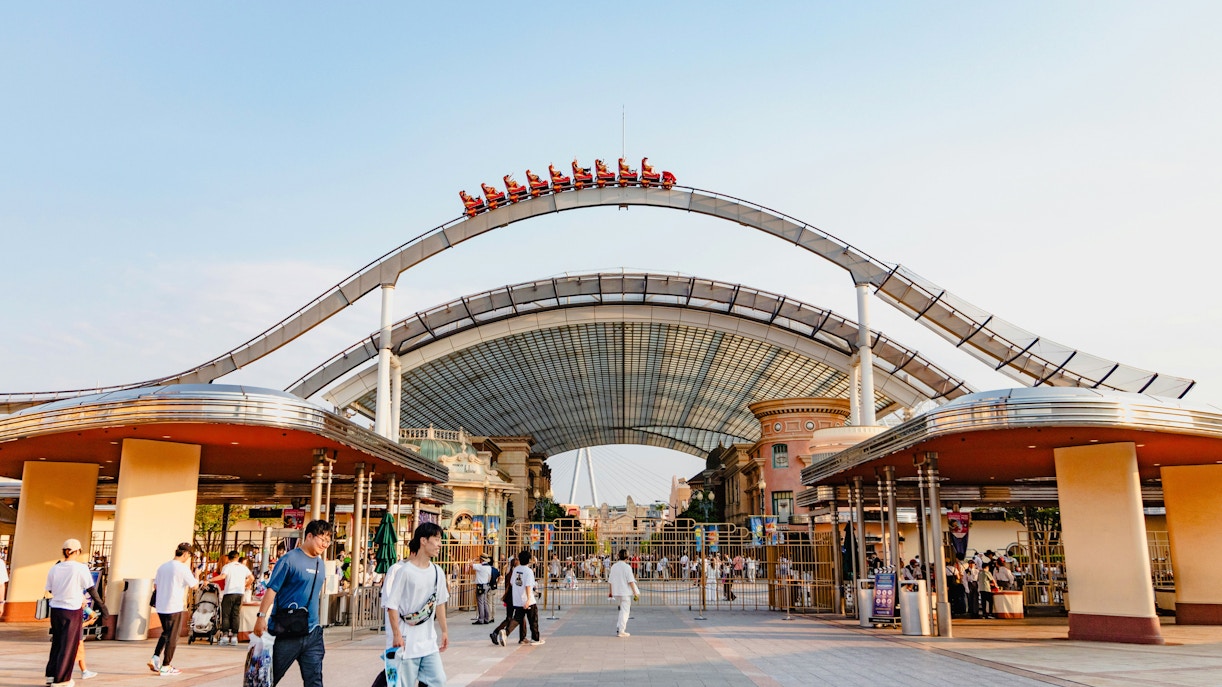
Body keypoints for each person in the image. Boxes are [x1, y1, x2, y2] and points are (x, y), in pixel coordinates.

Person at [253, 519, 332, 687]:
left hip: (312, 632)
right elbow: (272, 589)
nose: (325, 544)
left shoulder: (321, 564)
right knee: (268, 679)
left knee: (315, 681)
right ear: (309, 536)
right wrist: (261, 617)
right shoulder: (289, 560)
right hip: (286, 631)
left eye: (328, 541)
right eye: (322, 539)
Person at [383, 523, 450, 687]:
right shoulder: (405, 571)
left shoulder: (437, 572)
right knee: (403, 684)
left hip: (428, 641)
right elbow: (392, 605)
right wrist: (397, 634)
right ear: (423, 541)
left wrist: (444, 631)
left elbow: (440, 603)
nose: (439, 544)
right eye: (436, 539)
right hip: (407, 641)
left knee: (438, 680)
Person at [45, 538, 107, 687]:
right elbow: (91, 589)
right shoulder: (80, 568)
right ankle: (62, 679)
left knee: (58, 643)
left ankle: (52, 675)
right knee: (69, 645)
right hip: (71, 610)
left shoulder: (55, 568)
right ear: (78, 551)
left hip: (56, 610)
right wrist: (102, 607)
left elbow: (51, 589)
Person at [149, 542, 199, 677]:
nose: (189, 557)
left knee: (166, 632)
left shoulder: (162, 567)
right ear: (185, 554)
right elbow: (194, 586)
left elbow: (156, 586)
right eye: (189, 555)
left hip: (160, 606)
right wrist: (198, 574)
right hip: (174, 606)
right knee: (173, 636)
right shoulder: (182, 568)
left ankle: (155, 658)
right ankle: (166, 666)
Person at [496, 550, 543, 646]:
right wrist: (529, 599)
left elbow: (513, 583)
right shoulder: (529, 571)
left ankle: (506, 632)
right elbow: (528, 586)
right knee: (533, 619)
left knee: (517, 618)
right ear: (529, 560)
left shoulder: (516, 570)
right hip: (527, 600)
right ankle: (535, 638)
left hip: (517, 600)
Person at [211, 550, 253, 646]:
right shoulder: (243, 567)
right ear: (237, 558)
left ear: (229, 558)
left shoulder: (227, 566)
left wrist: (210, 580)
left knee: (226, 614)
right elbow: (252, 578)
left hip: (229, 592)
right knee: (236, 615)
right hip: (240, 593)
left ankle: (225, 636)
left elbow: (222, 576)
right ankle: (234, 636)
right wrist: (246, 585)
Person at [608, 549, 640, 637]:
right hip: (625, 592)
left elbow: (610, 581)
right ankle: (621, 630)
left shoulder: (614, 566)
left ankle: (619, 627)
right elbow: (631, 581)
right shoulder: (627, 567)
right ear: (627, 557)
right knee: (625, 611)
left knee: (622, 611)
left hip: (616, 592)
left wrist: (610, 592)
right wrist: (635, 593)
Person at [469, 553, 494, 625]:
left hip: (480, 586)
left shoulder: (480, 566)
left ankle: (481, 619)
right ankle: (487, 618)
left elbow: (470, 564)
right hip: (486, 585)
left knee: (480, 603)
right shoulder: (489, 567)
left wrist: (474, 559)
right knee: (485, 602)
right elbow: (489, 577)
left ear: (481, 559)